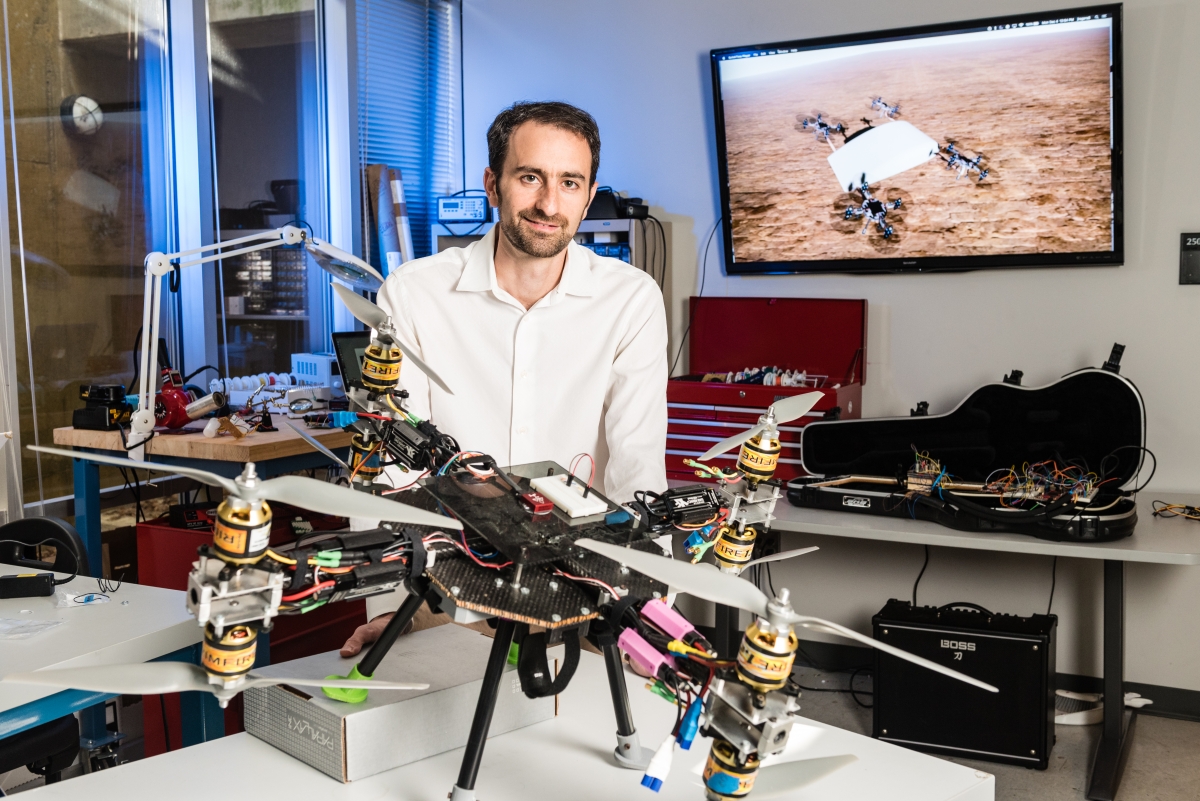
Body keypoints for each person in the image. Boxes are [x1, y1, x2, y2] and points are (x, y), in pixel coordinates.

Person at [340, 101, 668, 657]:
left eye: (569, 183)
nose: (548, 203)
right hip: (447, 596)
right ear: (493, 184)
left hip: (579, 595)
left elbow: (637, 463)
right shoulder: (414, 293)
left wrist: (644, 612)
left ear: (589, 197)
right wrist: (394, 607)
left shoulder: (631, 299)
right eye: (530, 177)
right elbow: (388, 461)